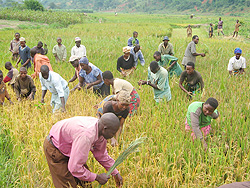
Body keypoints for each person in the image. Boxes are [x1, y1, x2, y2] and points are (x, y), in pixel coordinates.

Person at [43, 113, 123, 188]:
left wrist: (115, 172)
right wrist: (97, 177)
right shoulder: (86, 136)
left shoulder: (101, 130)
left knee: (86, 184)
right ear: (105, 128)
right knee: (67, 185)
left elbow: (101, 155)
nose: (113, 136)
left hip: (71, 146)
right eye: (112, 133)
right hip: (56, 147)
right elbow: (74, 168)